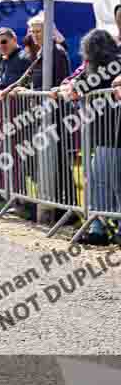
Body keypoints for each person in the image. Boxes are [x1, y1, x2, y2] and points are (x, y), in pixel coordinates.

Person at [63, 29, 121, 245]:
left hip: (112, 134)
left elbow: (81, 87)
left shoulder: (107, 66)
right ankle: (99, 227)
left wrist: (73, 87)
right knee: (101, 181)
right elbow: (75, 83)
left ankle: (101, 228)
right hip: (105, 134)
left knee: (108, 182)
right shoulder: (100, 65)